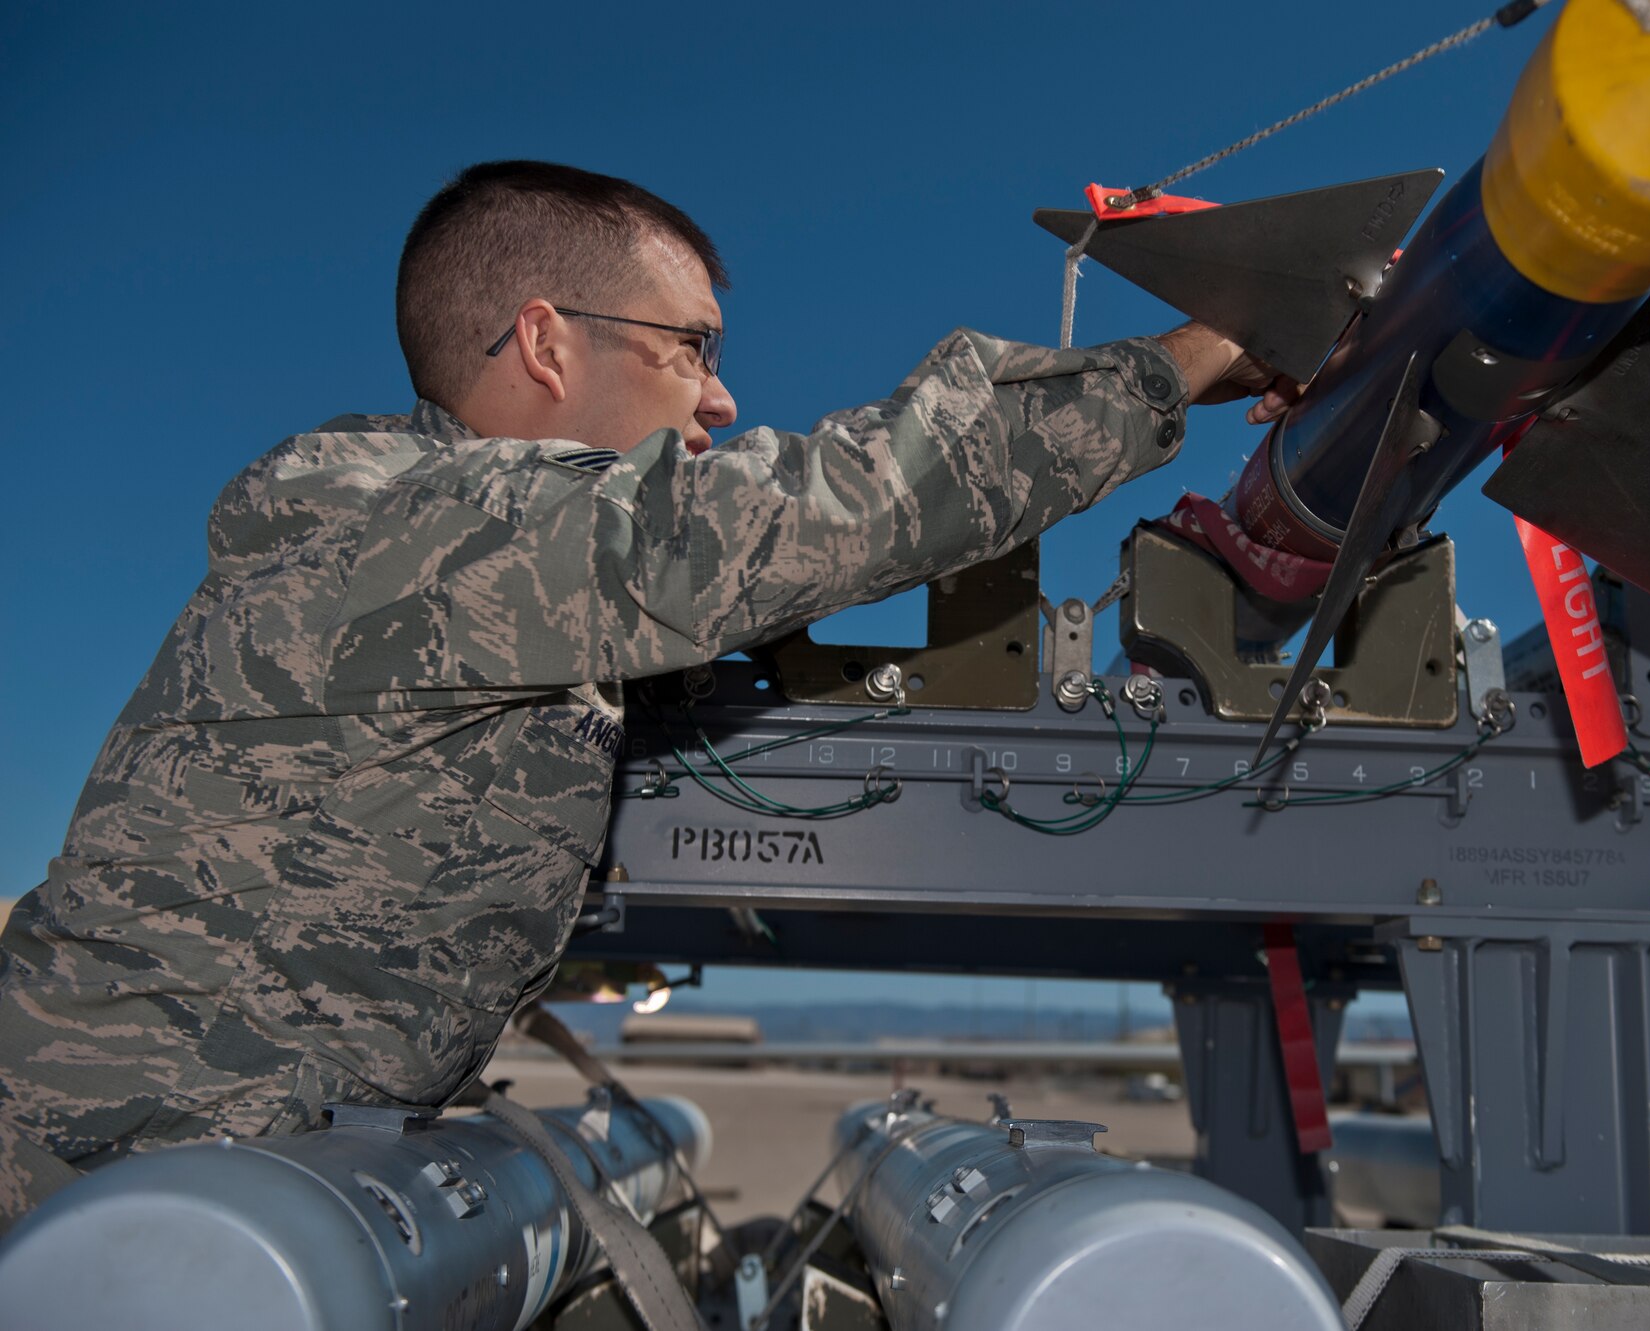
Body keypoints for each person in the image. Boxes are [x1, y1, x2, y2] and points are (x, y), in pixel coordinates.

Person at [0, 160, 1294, 1230]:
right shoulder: (427, 526)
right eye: (691, 348)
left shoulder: (501, 591)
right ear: (545, 341)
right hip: (100, 1185)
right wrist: (1188, 359)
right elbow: (840, 507)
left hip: (183, 1186)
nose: (720, 396)